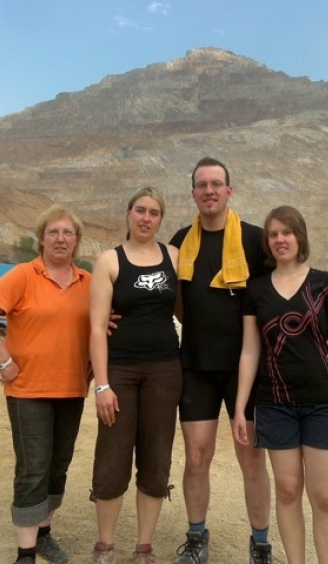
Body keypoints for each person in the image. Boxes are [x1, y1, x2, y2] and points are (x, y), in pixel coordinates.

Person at [233, 205, 328, 564]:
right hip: (274, 403)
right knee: (287, 491)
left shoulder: (326, 283)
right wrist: (241, 408)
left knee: (324, 496)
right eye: (273, 234)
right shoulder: (255, 289)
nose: (280, 240)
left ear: (300, 236)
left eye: (286, 232)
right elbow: (250, 352)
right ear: (266, 243)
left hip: (323, 405)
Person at [0, 205, 91, 564]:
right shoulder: (24, 275)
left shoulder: (87, 282)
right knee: (33, 468)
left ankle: (44, 535)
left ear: (77, 241)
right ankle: (25, 552)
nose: (60, 238)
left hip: (72, 390)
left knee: (58, 466)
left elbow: (102, 324)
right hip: (28, 393)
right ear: (40, 239)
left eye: (68, 233)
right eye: (53, 232)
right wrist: (5, 361)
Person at [169, 156, 274, 564]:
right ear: (193, 193)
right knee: (196, 457)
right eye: (201, 185)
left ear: (230, 190)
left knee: (251, 458)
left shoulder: (254, 240)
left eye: (216, 184)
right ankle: (197, 538)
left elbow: (283, 289)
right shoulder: (180, 241)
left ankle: (261, 544)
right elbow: (164, 297)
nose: (209, 191)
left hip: (246, 370)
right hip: (195, 366)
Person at [89, 187, 182, 564]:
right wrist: (103, 384)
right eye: (140, 210)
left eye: (154, 212)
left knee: (156, 457)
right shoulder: (109, 261)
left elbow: (189, 310)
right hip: (121, 370)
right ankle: (105, 545)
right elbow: (97, 328)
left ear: (161, 219)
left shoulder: (174, 257)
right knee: (112, 456)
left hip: (164, 369)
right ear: (128, 214)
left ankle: (144, 545)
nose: (146, 218)